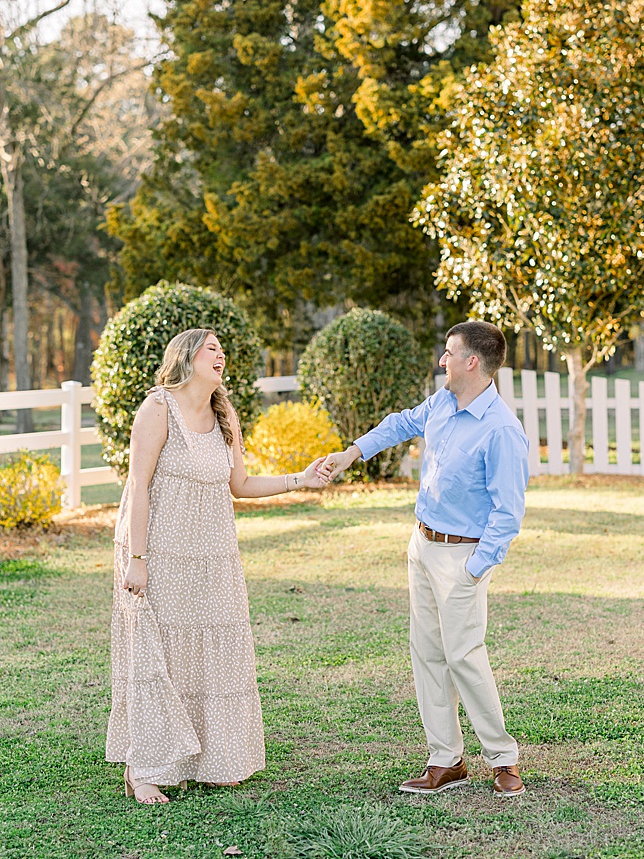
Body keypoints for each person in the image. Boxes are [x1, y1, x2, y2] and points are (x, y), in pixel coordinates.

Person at [108, 328, 327, 805]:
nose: (221, 354)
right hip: (161, 551)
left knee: (213, 655)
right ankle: (143, 769)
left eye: (222, 349)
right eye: (212, 348)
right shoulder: (158, 408)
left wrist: (301, 479)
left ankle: (209, 761)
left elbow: (240, 485)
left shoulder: (224, 413)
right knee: (161, 654)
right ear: (186, 357)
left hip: (213, 555)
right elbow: (138, 486)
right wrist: (138, 560)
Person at [312, 319, 529, 798]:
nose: (442, 361)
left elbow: (508, 512)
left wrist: (475, 568)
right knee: (428, 654)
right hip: (423, 545)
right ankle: (445, 760)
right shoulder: (442, 403)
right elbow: (400, 423)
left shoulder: (501, 431)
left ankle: (503, 759)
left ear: (472, 361)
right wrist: (352, 453)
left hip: (463, 556)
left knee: (464, 656)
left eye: (449, 353)